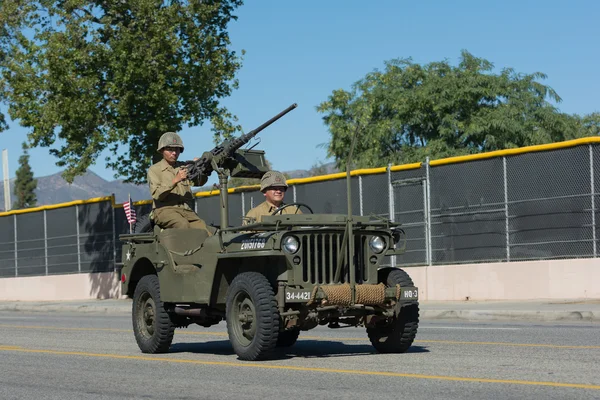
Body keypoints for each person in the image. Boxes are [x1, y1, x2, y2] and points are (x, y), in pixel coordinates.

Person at [147, 131, 211, 232]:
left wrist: (200, 168)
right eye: (170, 149)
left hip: (186, 211)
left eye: (177, 149)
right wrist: (175, 180)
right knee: (182, 225)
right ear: (162, 150)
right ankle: (187, 248)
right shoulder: (154, 170)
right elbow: (157, 194)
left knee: (204, 230)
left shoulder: (184, 166)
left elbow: (200, 182)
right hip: (164, 210)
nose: (174, 153)